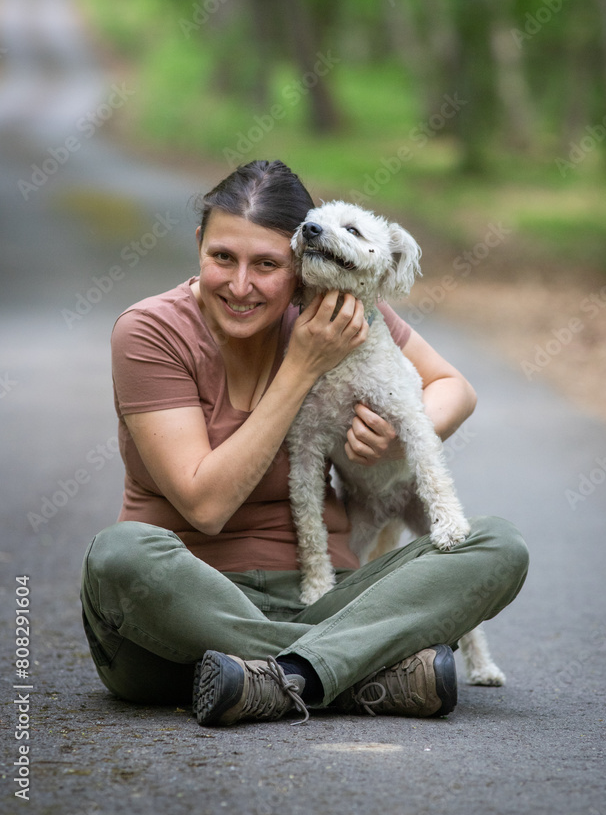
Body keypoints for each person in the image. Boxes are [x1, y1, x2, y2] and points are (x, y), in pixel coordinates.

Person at [80, 159, 529, 726]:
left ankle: (279, 679)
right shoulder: (151, 331)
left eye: (266, 265)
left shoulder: (335, 305)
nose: (240, 286)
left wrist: (393, 442)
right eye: (223, 257)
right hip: (184, 617)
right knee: (120, 555)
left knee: (497, 544)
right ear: (199, 244)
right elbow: (205, 505)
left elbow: (453, 389)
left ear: (299, 262)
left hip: (324, 597)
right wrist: (300, 368)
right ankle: (355, 670)